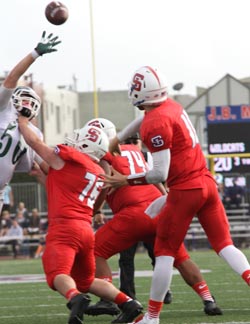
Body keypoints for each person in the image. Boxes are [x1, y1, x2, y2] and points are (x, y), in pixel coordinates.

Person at [101, 66, 250, 324]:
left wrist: (126, 179)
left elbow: (159, 173)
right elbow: (145, 119)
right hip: (206, 183)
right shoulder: (170, 105)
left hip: (186, 189)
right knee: (225, 245)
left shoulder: (156, 123)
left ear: (141, 93)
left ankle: (152, 316)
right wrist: (119, 137)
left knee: (165, 252)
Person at [83, 118, 222, 320]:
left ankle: (109, 299)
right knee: (180, 258)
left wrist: (95, 210)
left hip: (134, 213)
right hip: (160, 208)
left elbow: (105, 182)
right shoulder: (133, 150)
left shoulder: (104, 154)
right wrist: (163, 195)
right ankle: (208, 299)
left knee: (94, 250)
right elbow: (151, 176)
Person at [18, 116, 143, 324]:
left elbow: (35, 143)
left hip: (65, 228)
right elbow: (58, 180)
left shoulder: (66, 162)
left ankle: (74, 298)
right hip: (85, 230)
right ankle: (129, 303)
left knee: (56, 274)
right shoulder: (98, 171)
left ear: (86, 144)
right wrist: (38, 167)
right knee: (85, 281)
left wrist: (22, 120)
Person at [0, 30, 61, 215]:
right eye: (24, 97)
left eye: (31, 101)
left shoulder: (35, 133)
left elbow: (46, 167)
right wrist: (35, 53)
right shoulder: (3, 108)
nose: (26, 103)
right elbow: (12, 78)